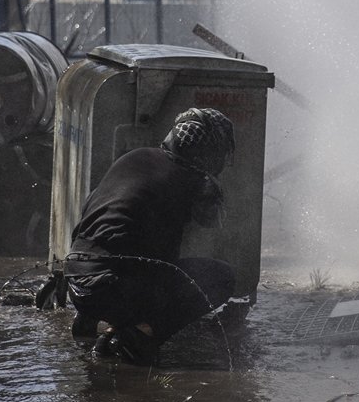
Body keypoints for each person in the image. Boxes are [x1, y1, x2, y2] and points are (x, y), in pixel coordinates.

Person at [63, 107, 237, 365]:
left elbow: (91, 216)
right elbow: (176, 253)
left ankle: (99, 322)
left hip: (77, 284)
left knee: (131, 261)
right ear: (208, 151)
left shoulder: (135, 157)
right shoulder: (195, 180)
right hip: (115, 290)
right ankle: (138, 336)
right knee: (220, 277)